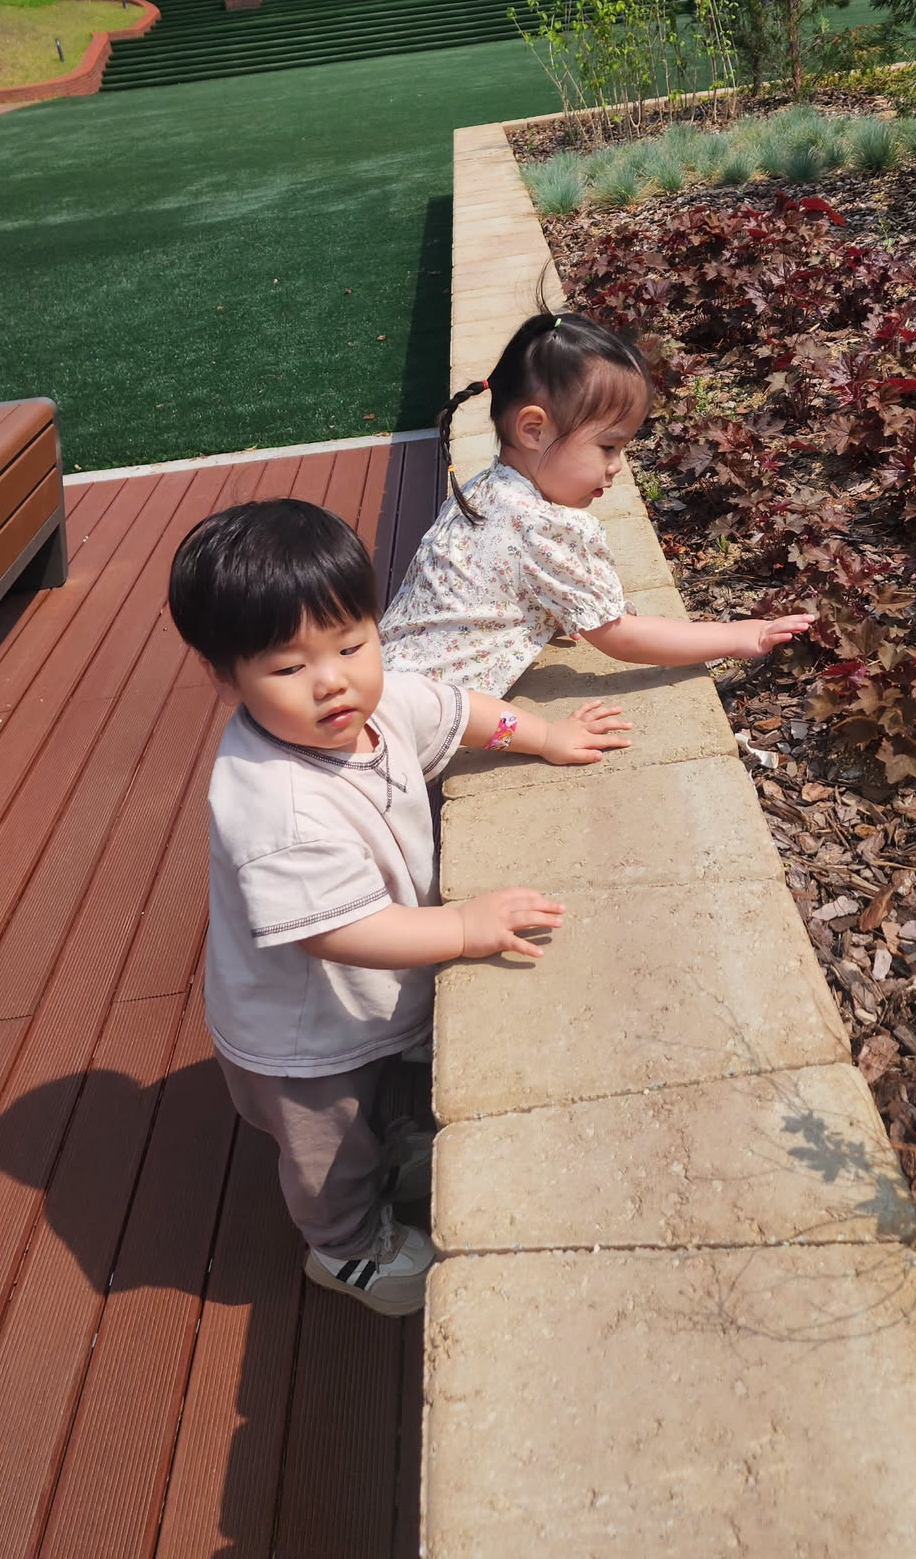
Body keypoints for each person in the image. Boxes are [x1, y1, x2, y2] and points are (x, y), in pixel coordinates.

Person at [167, 497, 629, 1317]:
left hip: (359, 1003)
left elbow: (460, 710)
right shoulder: (276, 807)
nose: (332, 680)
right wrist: (461, 927)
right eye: (287, 668)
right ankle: (346, 1249)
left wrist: (543, 734)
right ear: (224, 676)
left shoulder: (373, 707)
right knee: (328, 1150)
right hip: (300, 1039)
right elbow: (340, 931)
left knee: (380, 1090)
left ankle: (389, 1149)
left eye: (351, 644)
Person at [379, 312, 815, 698]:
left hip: (385, 676)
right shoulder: (542, 526)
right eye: (608, 446)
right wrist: (740, 636)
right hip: (422, 716)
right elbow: (621, 637)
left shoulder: (482, 489)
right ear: (533, 430)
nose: (617, 465)